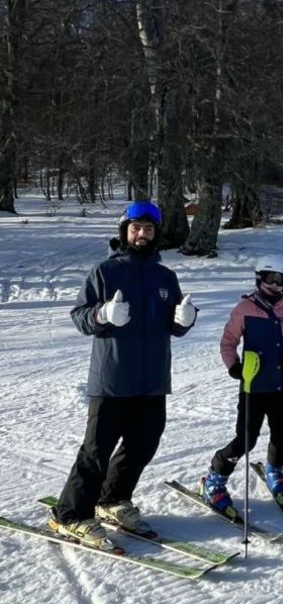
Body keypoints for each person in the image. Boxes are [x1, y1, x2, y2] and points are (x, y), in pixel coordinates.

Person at [50, 201, 197, 547]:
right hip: (112, 380)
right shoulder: (105, 271)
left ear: (156, 233)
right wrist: (102, 314)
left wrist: (184, 320)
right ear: (124, 232)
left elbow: (173, 324)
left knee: (143, 444)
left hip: (153, 380)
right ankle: (70, 515)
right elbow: (80, 316)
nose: (141, 234)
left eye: (148, 229)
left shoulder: (166, 277)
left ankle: (113, 499)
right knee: (96, 451)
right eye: (135, 228)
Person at [199, 257, 283, 513]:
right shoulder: (244, 309)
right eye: (270, 279)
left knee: (282, 434)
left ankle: (275, 468)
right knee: (246, 439)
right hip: (254, 386)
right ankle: (215, 478)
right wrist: (234, 366)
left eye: (281, 281)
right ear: (259, 278)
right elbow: (228, 341)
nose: (275, 285)